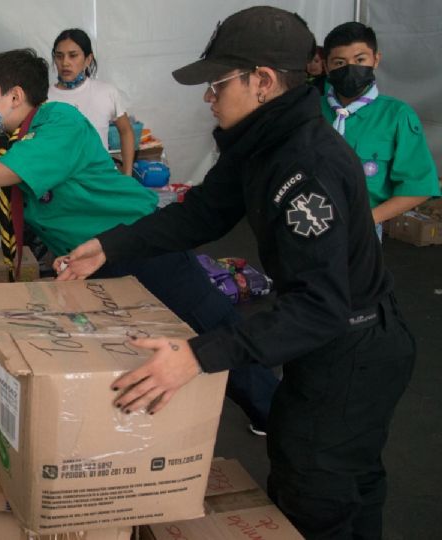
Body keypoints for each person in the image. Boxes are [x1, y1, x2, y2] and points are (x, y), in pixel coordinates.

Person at [55, 7, 415, 538]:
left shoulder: (303, 167)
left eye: (217, 84)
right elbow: (202, 213)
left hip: (352, 349)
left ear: (263, 82)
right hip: (340, 337)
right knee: (344, 482)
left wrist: (198, 356)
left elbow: (318, 308)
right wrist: (110, 246)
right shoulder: (261, 142)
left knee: (315, 493)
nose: (208, 97)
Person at [0, 48, 277, 436]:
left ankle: (272, 411)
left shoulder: (57, 122)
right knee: (129, 344)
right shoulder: (0, 139)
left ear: (15, 96)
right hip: (92, 258)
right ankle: (153, 431)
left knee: (205, 323)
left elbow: (6, 172)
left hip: (139, 239)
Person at [321, 22, 440, 239]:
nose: (351, 68)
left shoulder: (396, 115)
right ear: (326, 66)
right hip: (305, 224)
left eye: (360, 60)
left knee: (355, 274)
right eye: (339, 62)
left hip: (362, 230)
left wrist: (368, 220)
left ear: (376, 59)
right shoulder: (309, 110)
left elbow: (418, 185)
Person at [49, 29, 136, 174]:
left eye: (73, 56)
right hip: (60, 183)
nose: (65, 63)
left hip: (99, 179)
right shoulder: (44, 98)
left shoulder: (106, 92)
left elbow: (126, 131)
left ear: (88, 59)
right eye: (59, 56)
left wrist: (127, 174)